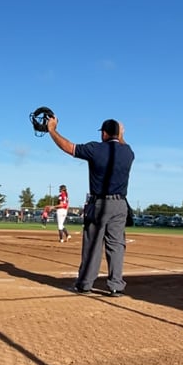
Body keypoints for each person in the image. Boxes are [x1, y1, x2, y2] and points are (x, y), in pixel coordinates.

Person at [46, 114, 134, 297]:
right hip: (120, 205)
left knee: (93, 244)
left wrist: (52, 130)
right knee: (116, 245)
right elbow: (122, 144)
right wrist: (121, 133)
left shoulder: (95, 149)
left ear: (104, 133)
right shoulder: (128, 152)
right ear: (119, 134)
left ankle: (85, 284)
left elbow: (68, 147)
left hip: (99, 203)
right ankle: (116, 286)